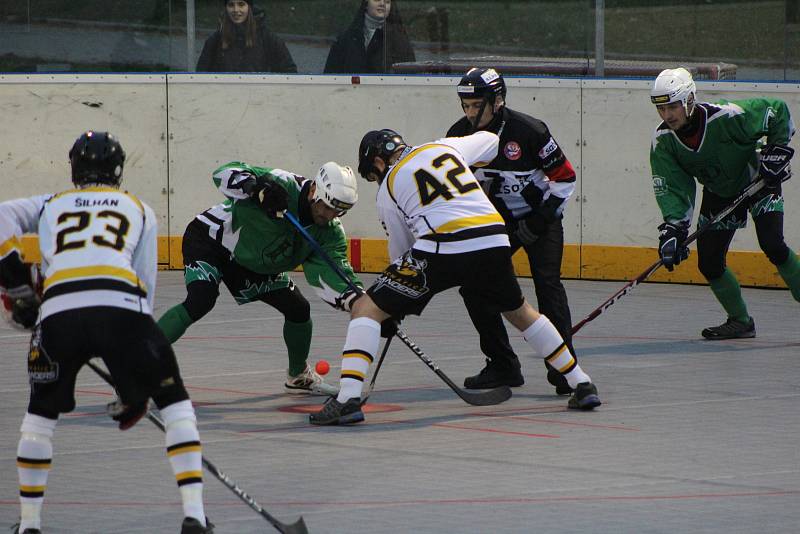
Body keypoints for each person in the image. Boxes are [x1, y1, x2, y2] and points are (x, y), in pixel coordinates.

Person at [309, 129, 602, 425]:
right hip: (493, 237)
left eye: (372, 176)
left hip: (442, 243)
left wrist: (389, 310)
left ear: (378, 164)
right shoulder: (444, 147)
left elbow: (401, 255)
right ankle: (582, 383)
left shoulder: (388, 190)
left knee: (365, 309)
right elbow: (491, 140)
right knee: (521, 312)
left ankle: (347, 399)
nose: (376, 181)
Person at [0, 131, 212, 534]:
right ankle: (194, 517)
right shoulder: (139, 208)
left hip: (59, 315)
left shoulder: (51, 204)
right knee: (175, 403)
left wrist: (13, 279)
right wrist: (135, 379)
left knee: (39, 417)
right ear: (118, 170)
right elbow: (144, 290)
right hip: (122, 310)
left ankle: (29, 524)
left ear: (74, 168)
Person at [156, 161, 362, 395]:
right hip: (213, 241)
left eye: (339, 210)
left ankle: (298, 375)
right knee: (200, 300)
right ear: (314, 190)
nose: (330, 215)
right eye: (327, 206)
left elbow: (336, 272)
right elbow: (223, 173)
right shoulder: (283, 183)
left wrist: (362, 304)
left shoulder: (330, 232)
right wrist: (257, 188)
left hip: (254, 261)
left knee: (298, 310)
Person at [446, 67, 579, 396]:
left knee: (547, 285)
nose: (470, 113)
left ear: (497, 101)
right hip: (496, 223)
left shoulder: (530, 131)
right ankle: (502, 365)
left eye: (477, 105)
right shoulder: (457, 136)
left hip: (540, 218)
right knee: (475, 287)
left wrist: (538, 221)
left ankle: (564, 368)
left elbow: (565, 179)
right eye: (465, 106)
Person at [650, 67, 800, 339]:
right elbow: (673, 187)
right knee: (709, 262)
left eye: (673, 106)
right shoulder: (663, 141)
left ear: (689, 100)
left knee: (773, 245)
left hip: (758, 180)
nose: (667, 115)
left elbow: (776, 111)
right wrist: (673, 229)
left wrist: (776, 151)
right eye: (661, 108)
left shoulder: (727, 115)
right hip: (720, 192)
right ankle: (740, 321)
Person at [196, 0, 297, 73]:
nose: (236, 10)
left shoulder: (269, 39)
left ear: (249, 7)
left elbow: (290, 73)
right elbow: (200, 75)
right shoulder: (215, 40)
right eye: (231, 5)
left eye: (241, 4)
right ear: (226, 8)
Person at [324, 0, 415, 74]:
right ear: (366, 4)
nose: (382, 4)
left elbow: (409, 79)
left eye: (387, 2)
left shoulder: (399, 41)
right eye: (377, 0)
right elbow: (330, 76)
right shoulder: (346, 39)